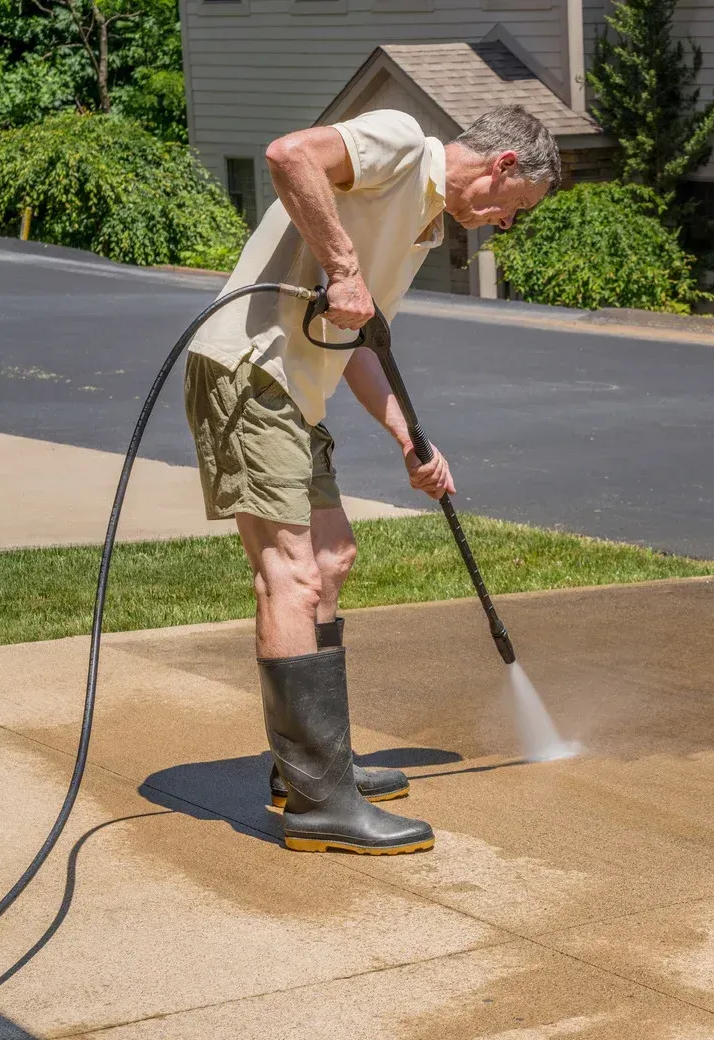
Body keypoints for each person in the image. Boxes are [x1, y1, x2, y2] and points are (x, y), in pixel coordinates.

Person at [183, 105, 558, 854]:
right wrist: (346, 269)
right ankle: (321, 801)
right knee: (290, 575)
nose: (502, 225)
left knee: (331, 560)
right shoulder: (398, 142)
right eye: (512, 210)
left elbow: (354, 335)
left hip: (293, 388)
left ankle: (313, 763)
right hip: (251, 371)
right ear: (502, 167)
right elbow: (289, 153)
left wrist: (409, 439)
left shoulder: (420, 223)